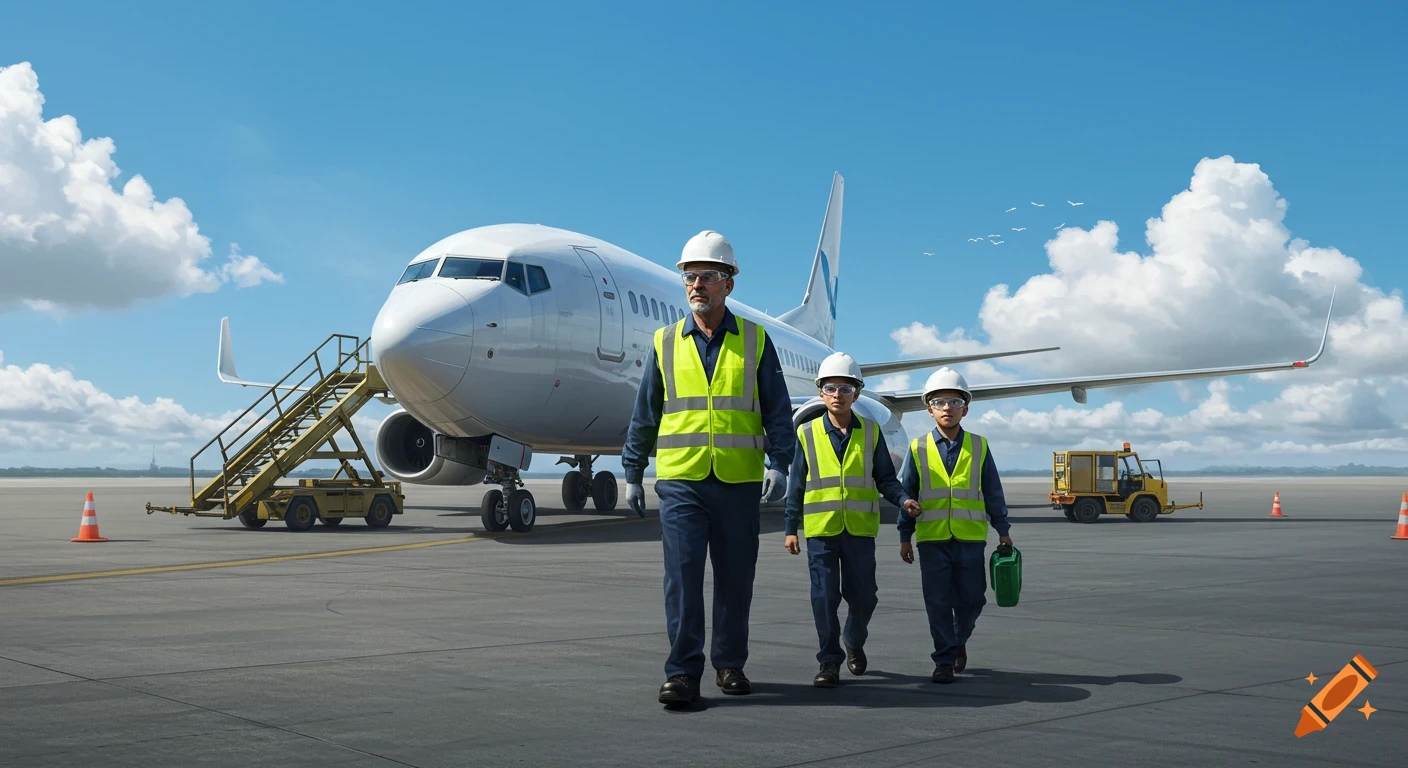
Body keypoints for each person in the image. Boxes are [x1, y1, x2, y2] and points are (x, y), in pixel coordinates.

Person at [621, 230, 796, 707]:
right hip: (681, 481)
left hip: (739, 480)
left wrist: (780, 463)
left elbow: (778, 411)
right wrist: (633, 470)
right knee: (682, 578)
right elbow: (646, 413)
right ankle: (681, 673)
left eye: (707, 277)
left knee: (736, 579)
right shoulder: (664, 343)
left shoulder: (758, 342)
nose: (696, 285)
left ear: (728, 284)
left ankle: (729, 663)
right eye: (689, 277)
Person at [783, 352, 918, 688]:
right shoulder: (807, 433)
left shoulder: (871, 433)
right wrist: (790, 529)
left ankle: (854, 639)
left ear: (857, 394)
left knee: (864, 597)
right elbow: (796, 484)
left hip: (858, 531)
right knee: (824, 598)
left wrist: (904, 500)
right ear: (820, 393)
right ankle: (829, 661)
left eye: (846, 389)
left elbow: (886, 479)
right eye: (831, 388)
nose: (838, 395)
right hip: (821, 532)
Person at [896, 367, 1012, 684]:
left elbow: (993, 491)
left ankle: (958, 641)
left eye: (954, 401)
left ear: (966, 408)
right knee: (937, 602)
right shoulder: (918, 448)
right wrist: (905, 535)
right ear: (929, 408)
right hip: (931, 539)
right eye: (940, 401)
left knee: (974, 599)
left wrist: (1003, 529)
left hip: (971, 538)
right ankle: (944, 659)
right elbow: (906, 492)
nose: (947, 407)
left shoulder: (980, 446)